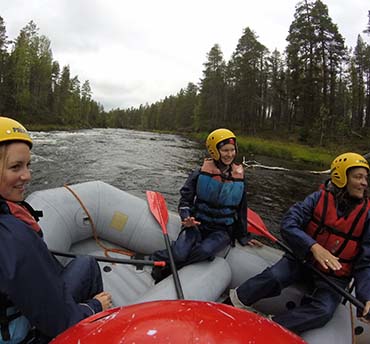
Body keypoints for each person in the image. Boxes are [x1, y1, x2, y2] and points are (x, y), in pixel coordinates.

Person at [229, 152, 370, 334]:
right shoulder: (317, 199)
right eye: (358, 177)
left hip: (334, 277)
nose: (364, 183)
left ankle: (271, 326)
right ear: (341, 177)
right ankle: (234, 302)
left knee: (324, 310)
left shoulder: (366, 215)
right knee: (274, 276)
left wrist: (366, 297)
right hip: (302, 260)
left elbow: (366, 262)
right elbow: (288, 223)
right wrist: (314, 247)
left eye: (365, 178)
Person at [0, 117, 112, 343]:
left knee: (86, 263)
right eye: (15, 167)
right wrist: (93, 307)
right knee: (89, 265)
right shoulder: (12, 237)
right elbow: (59, 320)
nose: (27, 176)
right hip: (27, 333)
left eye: (28, 165)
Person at [151, 128, 261, 282]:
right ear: (215, 151)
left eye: (232, 150)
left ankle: (169, 266)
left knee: (204, 250)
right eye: (225, 150)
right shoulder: (199, 173)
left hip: (222, 230)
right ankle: (162, 257)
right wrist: (186, 217)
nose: (230, 154)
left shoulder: (239, 177)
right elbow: (185, 200)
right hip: (196, 224)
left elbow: (241, 209)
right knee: (179, 253)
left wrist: (243, 236)